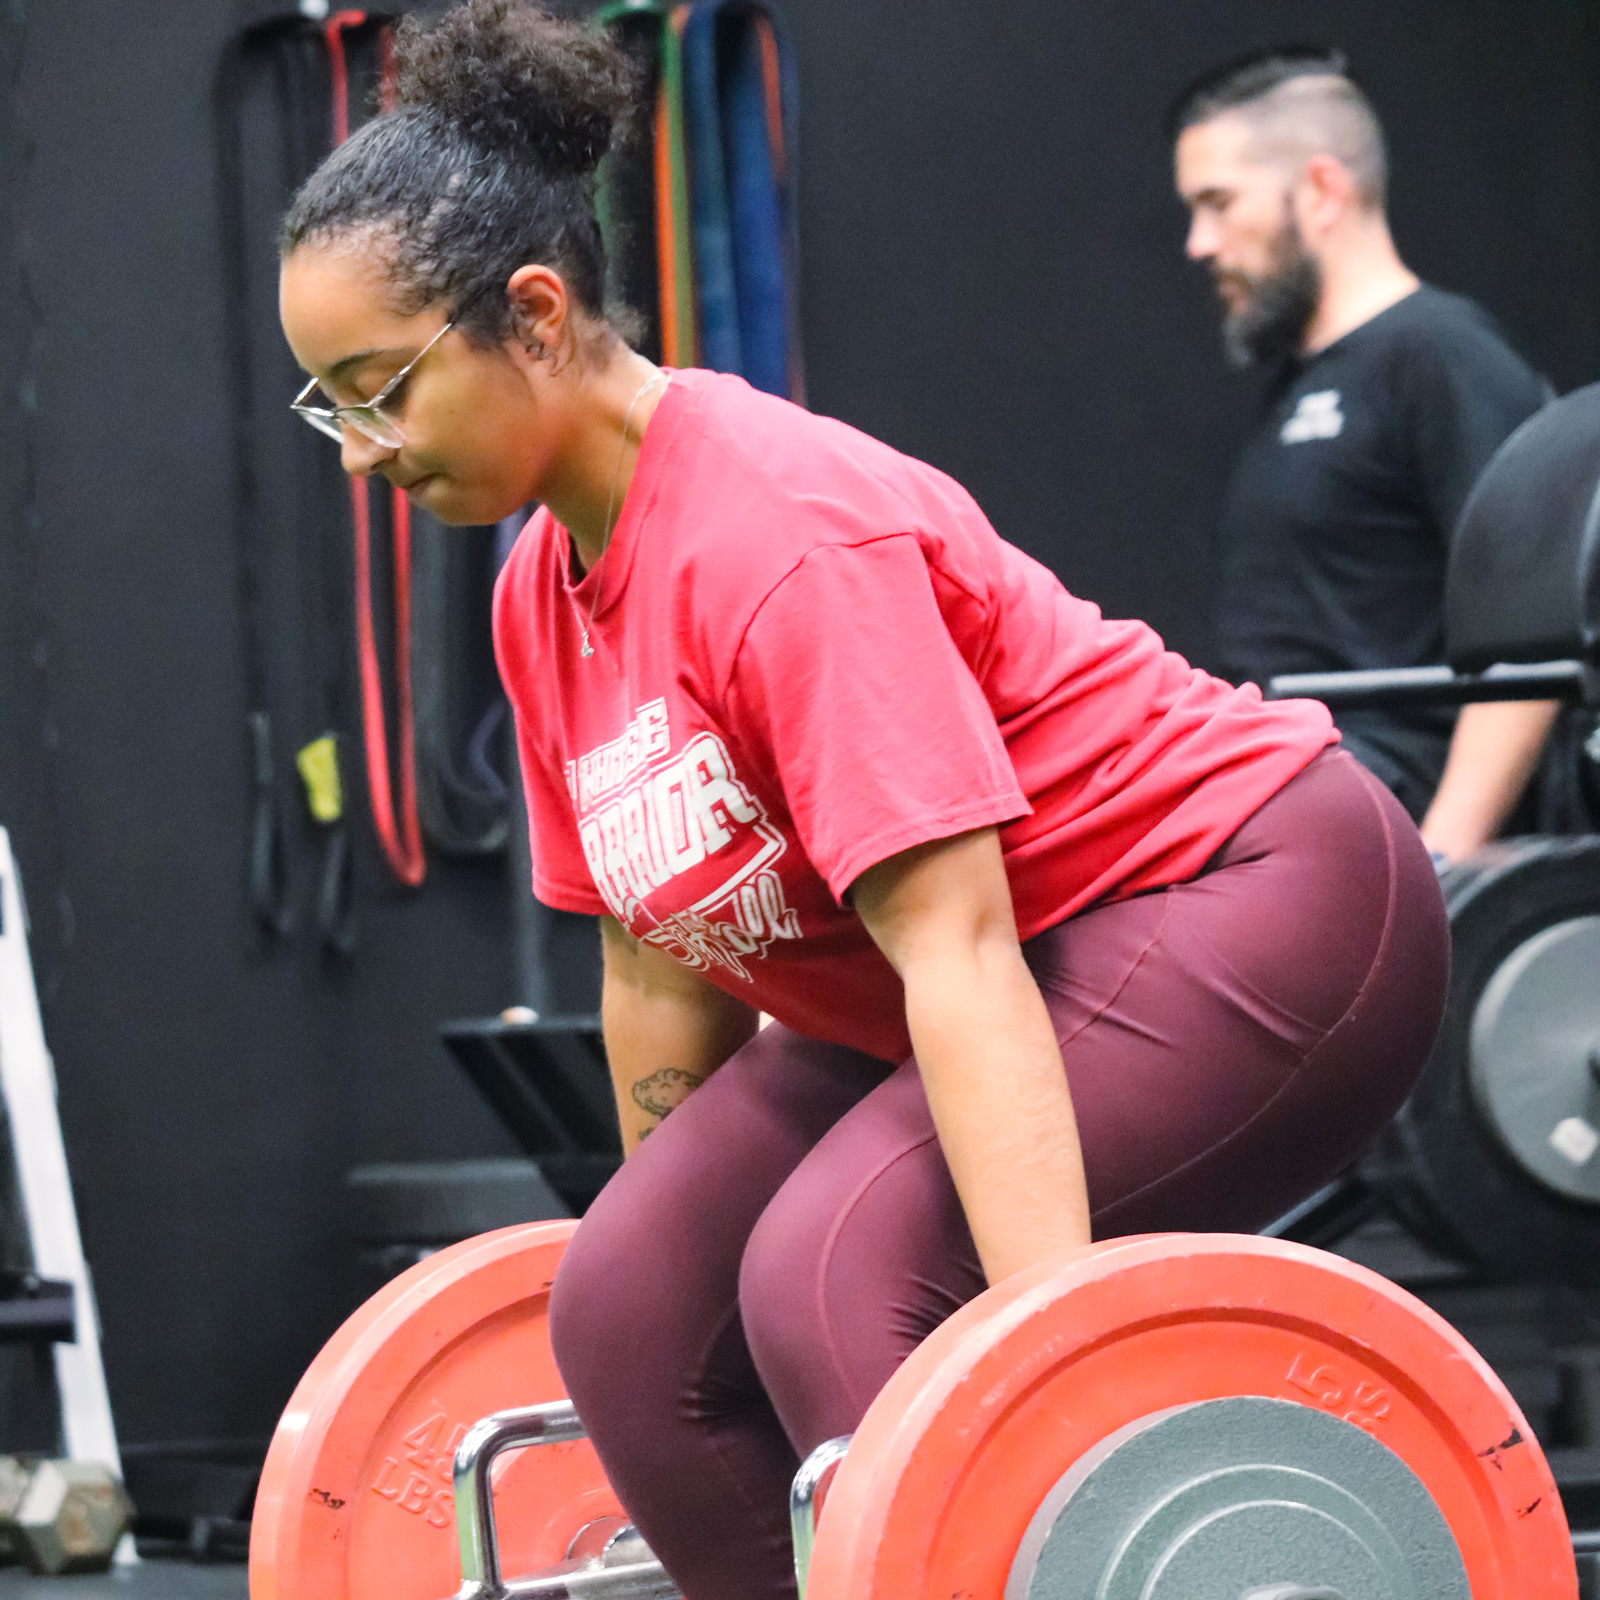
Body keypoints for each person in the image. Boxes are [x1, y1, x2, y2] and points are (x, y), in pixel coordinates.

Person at [277, 7, 1449, 1597]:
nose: (363, 454)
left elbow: (958, 949)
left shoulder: (781, 539)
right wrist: (675, 1225)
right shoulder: (539, 594)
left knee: (841, 1271)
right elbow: (655, 964)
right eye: (331, 407)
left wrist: (1052, 1390)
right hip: (992, 961)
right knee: (632, 1308)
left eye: (381, 390)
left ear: (535, 317)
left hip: (1247, 894)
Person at [1172, 48, 1556, 862]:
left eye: (1218, 203)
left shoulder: (1440, 354)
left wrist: (1442, 863)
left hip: (1383, 819)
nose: (1199, 243)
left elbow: (1535, 634)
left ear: (1321, 190)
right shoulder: (1300, 387)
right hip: (1295, 800)